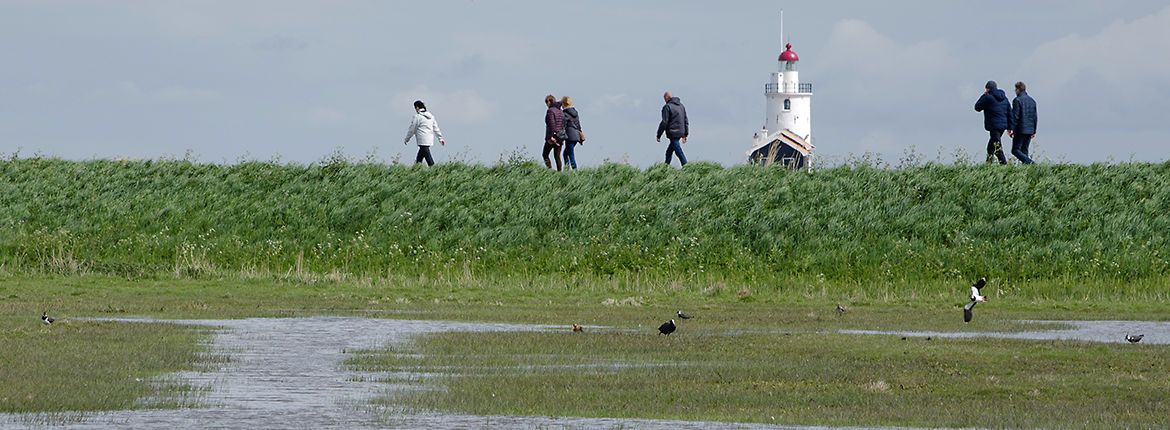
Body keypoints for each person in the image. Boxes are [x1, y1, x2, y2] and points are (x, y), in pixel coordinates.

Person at [974, 80, 1010, 164]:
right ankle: (988, 164)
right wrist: (1010, 127)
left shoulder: (988, 97)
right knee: (991, 147)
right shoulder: (1004, 98)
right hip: (1003, 126)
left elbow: (977, 107)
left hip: (994, 125)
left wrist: (983, 95)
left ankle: (1004, 164)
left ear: (987, 89)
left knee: (997, 146)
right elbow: (1010, 112)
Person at [403, 100, 444, 166]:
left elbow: (412, 129)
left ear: (417, 108)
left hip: (422, 139)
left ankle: (434, 170)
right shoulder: (431, 117)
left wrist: (407, 139)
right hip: (429, 139)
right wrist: (440, 138)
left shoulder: (417, 117)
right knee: (419, 157)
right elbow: (436, 128)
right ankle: (415, 169)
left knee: (429, 159)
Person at [655, 91, 689, 166]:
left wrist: (658, 135)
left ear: (667, 97)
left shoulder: (667, 107)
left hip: (673, 132)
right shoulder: (681, 106)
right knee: (669, 152)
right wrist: (685, 134)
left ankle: (686, 166)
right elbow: (685, 120)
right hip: (681, 131)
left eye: (664, 98)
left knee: (678, 151)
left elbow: (664, 122)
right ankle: (665, 167)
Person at [1009, 81, 1038, 165]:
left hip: (1020, 129)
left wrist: (1012, 129)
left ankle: (1031, 163)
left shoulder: (1017, 100)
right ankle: (1026, 169)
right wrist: (1034, 130)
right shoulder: (1032, 101)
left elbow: (1015, 116)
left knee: (1015, 150)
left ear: (1018, 89)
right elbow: (1035, 117)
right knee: (1024, 150)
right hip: (1030, 129)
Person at [542, 95, 565, 171]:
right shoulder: (561, 111)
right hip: (560, 136)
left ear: (550, 101)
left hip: (552, 136)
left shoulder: (550, 111)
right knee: (557, 156)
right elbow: (563, 124)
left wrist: (551, 136)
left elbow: (552, 124)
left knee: (545, 154)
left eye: (546, 102)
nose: (546, 104)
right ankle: (559, 173)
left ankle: (550, 170)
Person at [561, 96, 584, 170]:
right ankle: (567, 169)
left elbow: (563, 125)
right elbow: (578, 124)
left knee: (570, 154)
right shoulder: (575, 112)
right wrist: (580, 134)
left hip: (570, 136)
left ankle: (574, 170)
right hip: (576, 135)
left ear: (563, 104)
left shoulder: (564, 113)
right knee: (566, 154)